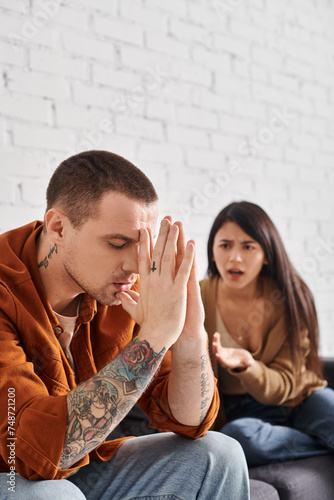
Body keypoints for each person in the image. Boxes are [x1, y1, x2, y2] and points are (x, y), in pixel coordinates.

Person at [0, 151, 249, 500]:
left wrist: (190, 333)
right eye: (117, 243)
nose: (135, 265)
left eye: (142, 245)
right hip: (11, 473)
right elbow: (31, 452)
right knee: (54, 496)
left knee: (219, 455)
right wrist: (156, 334)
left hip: (79, 465)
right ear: (58, 227)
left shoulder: (116, 290)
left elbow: (189, 420)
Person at [200, 200, 334, 467]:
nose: (234, 257)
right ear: (213, 252)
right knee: (238, 439)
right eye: (225, 245)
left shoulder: (289, 296)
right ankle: (321, 444)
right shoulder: (198, 297)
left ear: (267, 255)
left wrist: (248, 365)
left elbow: (284, 386)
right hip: (241, 413)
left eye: (248, 246)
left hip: (299, 398)